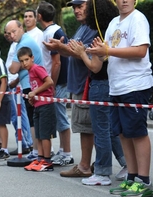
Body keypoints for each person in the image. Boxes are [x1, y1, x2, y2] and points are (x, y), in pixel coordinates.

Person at [87, 0, 153, 197]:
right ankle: (131, 178)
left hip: (135, 85)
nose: (124, 1)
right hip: (116, 87)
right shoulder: (113, 23)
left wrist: (106, 51)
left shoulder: (138, 19)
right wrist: (87, 52)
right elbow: (99, 63)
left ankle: (144, 181)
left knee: (137, 133)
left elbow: (140, 50)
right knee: (123, 133)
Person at [68, 0, 128, 186]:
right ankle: (127, 165)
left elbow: (95, 66)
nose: (81, 11)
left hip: (101, 84)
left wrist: (81, 52)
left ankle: (102, 172)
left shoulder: (101, 35)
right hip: (110, 83)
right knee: (109, 130)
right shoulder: (111, 30)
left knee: (101, 129)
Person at [43, 0, 96, 178]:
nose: (76, 10)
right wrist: (60, 48)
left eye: (80, 6)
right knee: (85, 127)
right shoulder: (81, 28)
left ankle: (90, 165)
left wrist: (60, 48)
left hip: (86, 85)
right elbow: (72, 51)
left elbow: (84, 53)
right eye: (74, 7)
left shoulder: (93, 28)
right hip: (78, 86)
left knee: (91, 128)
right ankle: (87, 165)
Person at [37, 1, 74, 166]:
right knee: (58, 117)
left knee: (61, 117)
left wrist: (51, 83)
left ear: (39, 16)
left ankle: (67, 153)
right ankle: (62, 150)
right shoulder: (53, 30)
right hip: (58, 80)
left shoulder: (51, 33)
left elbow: (56, 62)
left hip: (58, 81)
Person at [7, 19, 43, 160]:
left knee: (34, 119)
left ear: (21, 28)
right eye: (9, 33)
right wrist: (16, 80)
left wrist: (12, 68)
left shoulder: (23, 43)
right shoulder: (23, 41)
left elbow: (14, 68)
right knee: (34, 118)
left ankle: (36, 151)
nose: (12, 35)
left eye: (14, 31)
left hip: (31, 85)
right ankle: (38, 150)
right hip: (29, 83)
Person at [19, 47, 56, 171]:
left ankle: (47, 160)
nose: (24, 63)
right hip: (37, 105)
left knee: (45, 135)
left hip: (46, 105)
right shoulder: (29, 71)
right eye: (21, 61)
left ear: (32, 58)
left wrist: (34, 92)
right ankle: (40, 158)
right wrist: (33, 97)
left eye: (26, 60)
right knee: (39, 134)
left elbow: (49, 82)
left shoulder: (37, 68)